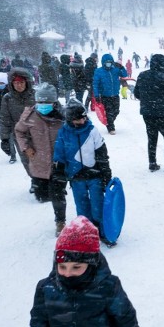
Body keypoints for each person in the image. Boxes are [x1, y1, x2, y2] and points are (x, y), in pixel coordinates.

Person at [29, 216, 140, 327]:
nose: (67, 273)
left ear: (91, 265)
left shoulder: (108, 286)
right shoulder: (45, 288)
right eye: (62, 267)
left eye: (76, 267)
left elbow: (127, 321)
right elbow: (38, 324)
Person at [53, 99, 113, 241]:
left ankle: (102, 230)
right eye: (78, 119)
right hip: (76, 177)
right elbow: (59, 154)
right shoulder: (63, 133)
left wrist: (106, 173)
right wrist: (58, 173)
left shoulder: (92, 131)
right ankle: (86, 231)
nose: (82, 121)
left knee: (97, 204)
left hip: (94, 175)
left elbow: (102, 153)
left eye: (83, 117)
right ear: (70, 119)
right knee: (82, 206)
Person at [15, 83, 67, 234]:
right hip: (40, 161)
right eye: (40, 102)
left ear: (54, 102)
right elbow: (19, 132)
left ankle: (60, 222)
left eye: (47, 102)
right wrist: (26, 147)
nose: (43, 105)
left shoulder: (63, 115)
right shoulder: (30, 116)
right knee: (43, 195)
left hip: (59, 162)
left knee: (58, 193)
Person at [0, 69, 36, 189]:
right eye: (15, 83)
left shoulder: (35, 95)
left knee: (41, 157)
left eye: (21, 82)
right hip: (20, 135)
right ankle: (34, 180)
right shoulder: (7, 98)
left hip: (37, 132)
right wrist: (5, 138)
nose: (18, 85)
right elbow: (5, 119)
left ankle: (45, 179)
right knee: (26, 159)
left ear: (26, 82)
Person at [93, 53, 127, 134]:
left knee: (116, 111)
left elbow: (124, 75)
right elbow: (95, 84)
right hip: (105, 95)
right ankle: (111, 127)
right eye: (107, 62)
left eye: (110, 62)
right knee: (109, 112)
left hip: (115, 94)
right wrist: (96, 95)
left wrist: (121, 67)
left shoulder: (115, 70)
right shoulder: (99, 71)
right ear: (103, 62)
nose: (109, 63)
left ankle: (109, 122)